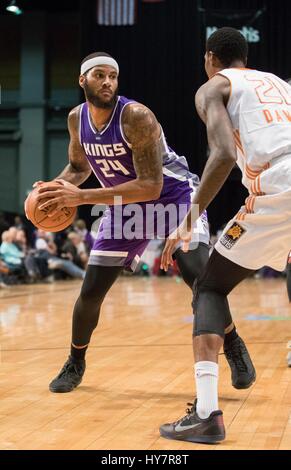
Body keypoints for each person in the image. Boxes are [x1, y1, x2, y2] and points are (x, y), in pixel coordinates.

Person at [26, 51, 254, 394]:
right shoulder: (77, 120)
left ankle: (233, 342)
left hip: (174, 198)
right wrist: (54, 189)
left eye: (112, 77)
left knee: (199, 279)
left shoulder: (136, 116)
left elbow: (151, 185)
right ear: (82, 80)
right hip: (122, 205)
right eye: (99, 75)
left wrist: (81, 198)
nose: (107, 82)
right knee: (91, 291)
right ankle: (75, 361)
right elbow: (78, 168)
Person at [159, 27, 291, 444]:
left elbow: (221, 154)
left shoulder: (213, 87)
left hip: (279, 183)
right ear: (245, 56)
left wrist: (187, 221)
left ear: (210, 57)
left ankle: (204, 414)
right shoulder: (278, 84)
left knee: (210, 287)